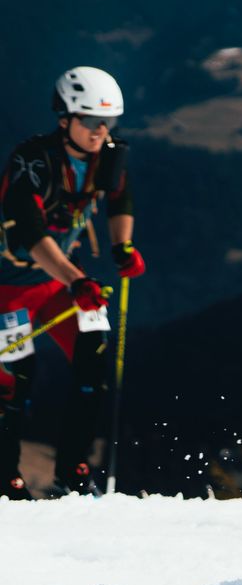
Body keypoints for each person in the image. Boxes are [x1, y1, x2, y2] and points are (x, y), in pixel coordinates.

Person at [1, 67, 144, 499]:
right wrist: (79, 279)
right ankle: (8, 480)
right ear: (64, 120)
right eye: (90, 121)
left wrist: (122, 246)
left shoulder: (109, 155)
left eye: (107, 122)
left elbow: (120, 197)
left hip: (62, 285)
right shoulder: (33, 161)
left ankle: (74, 473)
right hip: (10, 288)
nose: (101, 131)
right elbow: (29, 234)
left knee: (93, 365)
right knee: (14, 384)